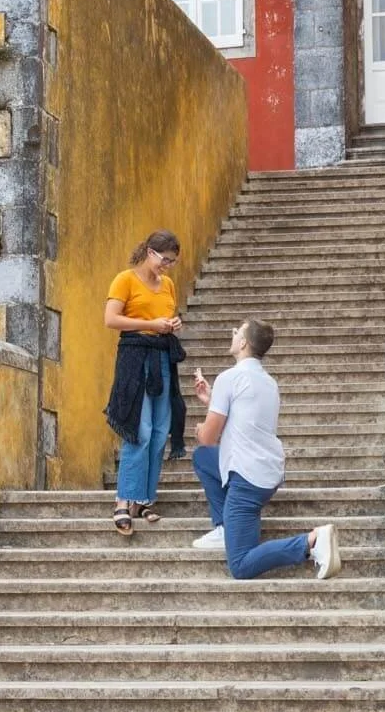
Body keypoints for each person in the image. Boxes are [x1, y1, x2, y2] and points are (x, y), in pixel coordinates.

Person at [191, 319, 341, 581]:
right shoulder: (268, 382)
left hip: (247, 480)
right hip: (267, 471)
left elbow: (208, 437)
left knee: (240, 565)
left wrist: (200, 427)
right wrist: (213, 400)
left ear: (243, 343)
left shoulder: (230, 378)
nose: (233, 332)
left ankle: (311, 541)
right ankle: (225, 526)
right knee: (203, 459)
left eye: (237, 330)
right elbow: (244, 422)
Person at [102, 231, 185, 536]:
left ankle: (143, 498)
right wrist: (151, 325)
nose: (168, 266)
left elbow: (166, 316)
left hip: (161, 358)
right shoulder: (125, 279)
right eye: (165, 260)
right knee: (140, 429)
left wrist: (173, 324)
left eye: (173, 262)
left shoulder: (169, 285)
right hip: (135, 358)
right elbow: (111, 319)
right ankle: (123, 500)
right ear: (150, 253)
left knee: (160, 430)